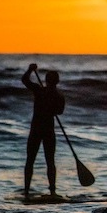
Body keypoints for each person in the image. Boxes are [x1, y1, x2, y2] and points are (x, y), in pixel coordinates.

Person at [22, 63, 65, 200]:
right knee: (46, 161)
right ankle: (50, 191)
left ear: (47, 81)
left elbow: (25, 80)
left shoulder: (41, 91)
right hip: (45, 130)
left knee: (34, 160)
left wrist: (29, 70)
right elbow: (59, 111)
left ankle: (29, 191)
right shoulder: (55, 95)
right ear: (57, 82)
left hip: (39, 130)